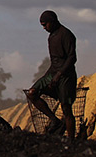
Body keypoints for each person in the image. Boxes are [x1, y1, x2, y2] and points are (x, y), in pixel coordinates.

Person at [26, 10, 77, 139]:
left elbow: (72, 58)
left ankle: (72, 141)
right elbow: (54, 61)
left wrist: (58, 75)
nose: (44, 28)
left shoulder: (66, 35)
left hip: (66, 76)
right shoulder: (51, 36)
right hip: (53, 72)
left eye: (45, 25)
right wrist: (48, 77)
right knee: (32, 93)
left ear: (52, 22)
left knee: (66, 109)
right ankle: (54, 120)